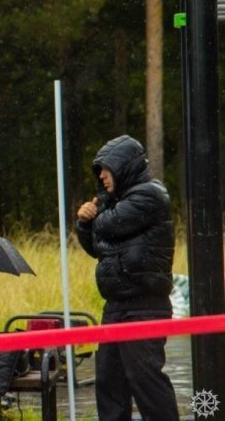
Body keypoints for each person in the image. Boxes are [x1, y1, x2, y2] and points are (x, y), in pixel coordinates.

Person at [75, 135, 178, 421]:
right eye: (99, 172)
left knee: (146, 383)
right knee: (110, 384)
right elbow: (98, 247)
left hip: (145, 306)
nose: (102, 177)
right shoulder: (117, 201)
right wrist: (84, 224)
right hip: (116, 306)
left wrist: (95, 214)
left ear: (122, 167)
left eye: (105, 169)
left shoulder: (150, 194)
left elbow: (108, 225)